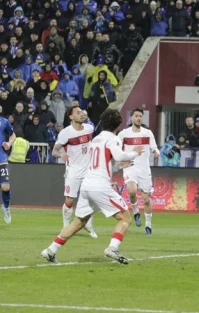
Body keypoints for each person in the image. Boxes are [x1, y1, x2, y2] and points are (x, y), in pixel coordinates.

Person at [41, 109, 143, 264]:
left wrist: (119, 165)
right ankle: (113, 248)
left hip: (87, 184)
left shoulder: (96, 139)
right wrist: (135, 153)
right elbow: (119, 156)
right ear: (118, 125)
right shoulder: (113, 139)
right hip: (99, 185)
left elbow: (103, 160)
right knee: (125, 218)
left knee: (79, 222)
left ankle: (50, 250)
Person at [52, 105, 97, 238]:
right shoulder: (65, 133)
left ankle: (89, 224)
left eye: (81, 112)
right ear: (71, 117)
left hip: (88, 170)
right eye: (78, 112)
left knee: (92, 198)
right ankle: (66, 226)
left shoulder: (89, 128)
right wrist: (61, 154)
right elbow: (54, 151)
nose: (81, 114)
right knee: (70, 200)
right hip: (73, 170)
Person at [118, 108, 160, 235]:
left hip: (144, 168)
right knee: (132, 191)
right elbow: (115, 150)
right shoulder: (123, 134)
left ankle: (148, 225)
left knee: (146, 199)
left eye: (140, 116)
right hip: (130, 166)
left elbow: (155, 148)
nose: (138, 118)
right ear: (131, 118)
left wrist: (156, 152)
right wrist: (121, 162)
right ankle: (136, 211)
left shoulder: (147, 133)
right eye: (136, 116)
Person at [0, 115, 16, 223]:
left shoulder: (4, 121)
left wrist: (9, 143)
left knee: (5, 187)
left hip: (1, 157)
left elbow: (13, 135)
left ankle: (6, 207)